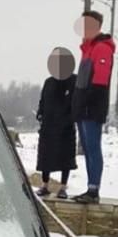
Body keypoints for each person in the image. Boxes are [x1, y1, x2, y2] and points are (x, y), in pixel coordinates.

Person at [71, 10, 116, 204]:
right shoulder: (87, 49)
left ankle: (94, 189)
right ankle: (90, 188)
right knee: (87, 149)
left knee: (93, 147)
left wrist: (88, 104)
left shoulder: (102, 48)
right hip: (82, 108)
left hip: (92, 107)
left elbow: (100, 81)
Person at [35, 47, 77, 199]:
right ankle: (44, 185)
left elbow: (75, 103)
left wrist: (70, 119)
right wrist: (40, 113)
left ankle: (63, 187)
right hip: (48, 125)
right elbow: (43, 100)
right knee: (46, 157)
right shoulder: (49, 82)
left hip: (65, 127)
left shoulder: (73, 81)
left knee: (65, 158)